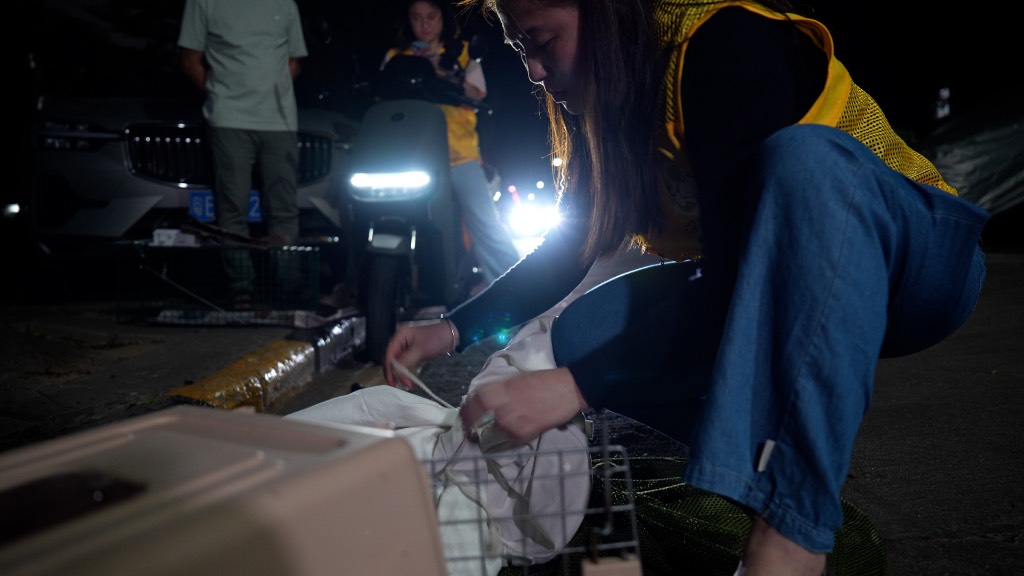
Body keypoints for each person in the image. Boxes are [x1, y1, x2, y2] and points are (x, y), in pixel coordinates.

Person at [383, 0, 991, 574]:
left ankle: (793, 531)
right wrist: (453, 328)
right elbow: (573, 248)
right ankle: (755, 472)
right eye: (521, 52)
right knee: (583, 333)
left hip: (916, 270)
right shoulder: (608, 109)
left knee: (806, 159)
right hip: (775, 287)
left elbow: (736, 274)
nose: (535, 73)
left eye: (541, 42)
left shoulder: (722, 44)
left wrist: (578, 386)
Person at [381, 0, 523, 291]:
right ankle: (362, 288)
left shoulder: (462, 52)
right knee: (384, 217)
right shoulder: (396, 57)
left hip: (459, 155)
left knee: (487, 225)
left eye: (431, 17)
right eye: (416, 17)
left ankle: (520, 289)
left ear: (443, 19)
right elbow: (380, 96)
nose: (424, 24)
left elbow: (478, 93)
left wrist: (446, 71)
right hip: (410, 157)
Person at [177, 0, 308, 310]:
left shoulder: (284, 4)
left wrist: (267, 92)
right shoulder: (204, 2)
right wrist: (221, 94)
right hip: (229, 119)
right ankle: (241, 289)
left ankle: (288, 287)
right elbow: (190, 59)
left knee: (284, 207)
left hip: (279, 121)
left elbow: (293, 61)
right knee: (232, 207)